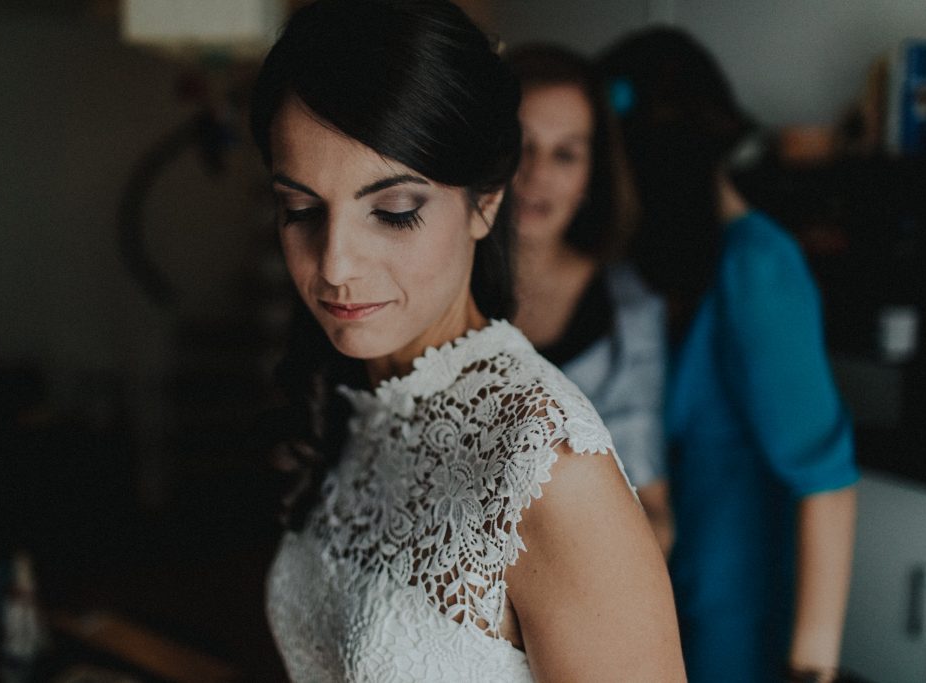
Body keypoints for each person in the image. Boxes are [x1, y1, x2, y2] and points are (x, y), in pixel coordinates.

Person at [251, 1, 685, 681]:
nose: (334, 265)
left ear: (485, 201)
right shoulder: (356, 399)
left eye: (392, 212)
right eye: (301, 210)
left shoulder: (549, 468)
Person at [598, 27, 859, 683]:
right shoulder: (652, 271)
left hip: (733, 620)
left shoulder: (757, 267)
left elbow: (827, 488)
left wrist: (811, 670)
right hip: (664, 603)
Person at [506, 44, 673, 555]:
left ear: (590, 176)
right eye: (519, 144)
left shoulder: (630, 315)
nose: (536, 173)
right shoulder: (430, 283)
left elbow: (655, 517)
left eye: (565, 153)